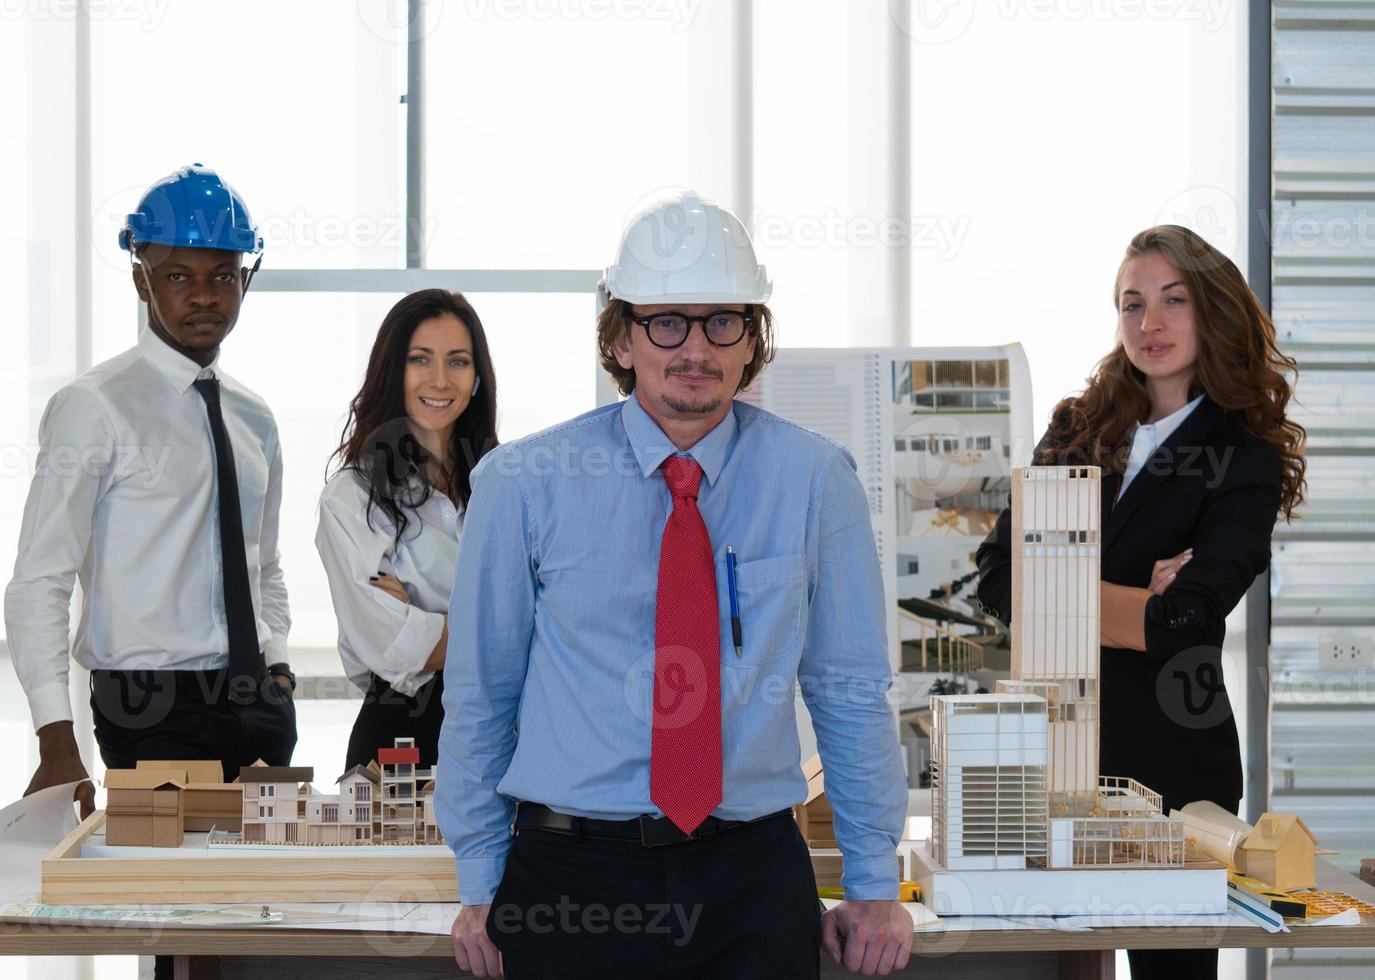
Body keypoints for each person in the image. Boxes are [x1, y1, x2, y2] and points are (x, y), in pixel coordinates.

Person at [439, 191, 913, 979]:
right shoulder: (523, 484)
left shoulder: (813, 480)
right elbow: (482, 693)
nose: (694, 348)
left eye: (722, 320)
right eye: (666, 322)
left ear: (752, 338)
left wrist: (870, 880)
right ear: (622, 337)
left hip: (751, 879)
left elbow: (849, 688)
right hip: (568, 878)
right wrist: (482, 879)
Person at [976, 224, 1306, 980]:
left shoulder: (1241, 453)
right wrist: (1133, 599)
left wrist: (1059, 587)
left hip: (1174, 769)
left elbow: (1180, 620)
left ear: (1211, 310)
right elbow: (997, 577)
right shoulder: (1076, 427)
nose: (1148, 324)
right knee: (1052, 969)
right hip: (1056, 759)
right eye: (1130, 305)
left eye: (1171, 301)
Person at [6, 163, 297, 815]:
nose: (204, 297)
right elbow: (39, 581)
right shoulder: (94, 406)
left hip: (260, 705)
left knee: (263, 894)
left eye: (222, 276)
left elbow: (265, 566)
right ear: (141, 278)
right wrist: (56, 738)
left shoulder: (256, 418)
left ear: (246, 278)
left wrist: (276, 664)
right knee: (170, 891)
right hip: (149, 704)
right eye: (178, 277)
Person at [316, 289, 498, 770]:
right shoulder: (352, 497)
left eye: (458, 362)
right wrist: (501, 631)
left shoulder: (504, 485)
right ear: (392, 370)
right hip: (402, 730)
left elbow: (550, 615)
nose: (440, 379)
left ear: (478, 378)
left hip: (500, 728)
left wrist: (427, 622)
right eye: (421, 360)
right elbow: (390, 646)